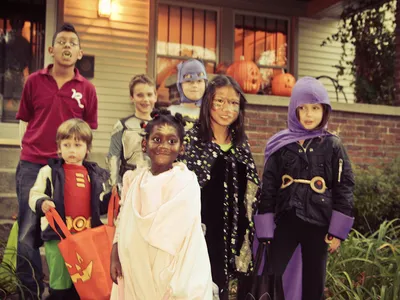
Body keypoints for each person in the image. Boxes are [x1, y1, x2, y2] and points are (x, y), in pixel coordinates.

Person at [15, 22, 98, 298]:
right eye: (61, 42)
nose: (66, 46)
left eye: (72, 43)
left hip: (69, 169)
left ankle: (70, 289)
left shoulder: (87, 89)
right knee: (28, 230)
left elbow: (86, 133)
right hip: (33, 163)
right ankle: (29, 291)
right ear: (51, 49)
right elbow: (24, 120)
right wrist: (24, 151)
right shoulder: (33, 81)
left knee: (70, 229)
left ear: (80, 52)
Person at [255, 77, 354, 299]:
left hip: (318, 223)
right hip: (286, 220)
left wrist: (337, 231)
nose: (309, 115)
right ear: (294, 110)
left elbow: (344, 186)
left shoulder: (332, 145)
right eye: (303, 108)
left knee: (314, 280)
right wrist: (265, 227)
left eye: (315, 108)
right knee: (272, 274)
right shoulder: (282, 144)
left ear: (325, 110)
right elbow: (268, 185)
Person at [110, 109, 213, 299]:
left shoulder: (186, 182)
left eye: (172, 141)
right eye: (156, 139)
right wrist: (115, 252)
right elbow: (123, 220)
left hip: (168, 268)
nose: (163, 145)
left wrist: (179, 279)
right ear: (144, 144)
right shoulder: (133, 180)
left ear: (182, 148)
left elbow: (187, 235)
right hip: (135, 264)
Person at [179, 75, 260, 299]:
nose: (227, 109)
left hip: (237, 238)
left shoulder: (241, 144)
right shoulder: (191, 142)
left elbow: (253, 193)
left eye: (234, 103)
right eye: (220, 101)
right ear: (208, 103)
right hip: (201, 236)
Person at [28, 118, 109, 299]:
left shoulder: (94, 175)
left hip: (86, 238)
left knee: (86, 281)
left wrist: (114, 198)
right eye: (67, 144)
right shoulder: (48, 172)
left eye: (77, 145)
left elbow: (100, 205)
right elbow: (34, 195)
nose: (72, 150)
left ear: (87, 148)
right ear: (59, 147)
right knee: (60, 282)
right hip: (58, 237)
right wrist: (42, 202)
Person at [106, 74, 157, 190]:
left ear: (155, 96)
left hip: (155, 181)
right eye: (140, 95)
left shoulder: (163, 125)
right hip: (128, 182)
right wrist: (114, 185)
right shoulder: (122, 125)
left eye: (149, 94)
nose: (145, 99)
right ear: (132, 97)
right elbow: (113, 156)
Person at [169, 58, 208, 128]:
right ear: (180, 85)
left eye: (199, 81)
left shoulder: (211, 113)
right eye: (189, 81)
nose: (195, 86)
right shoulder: (170, 113)